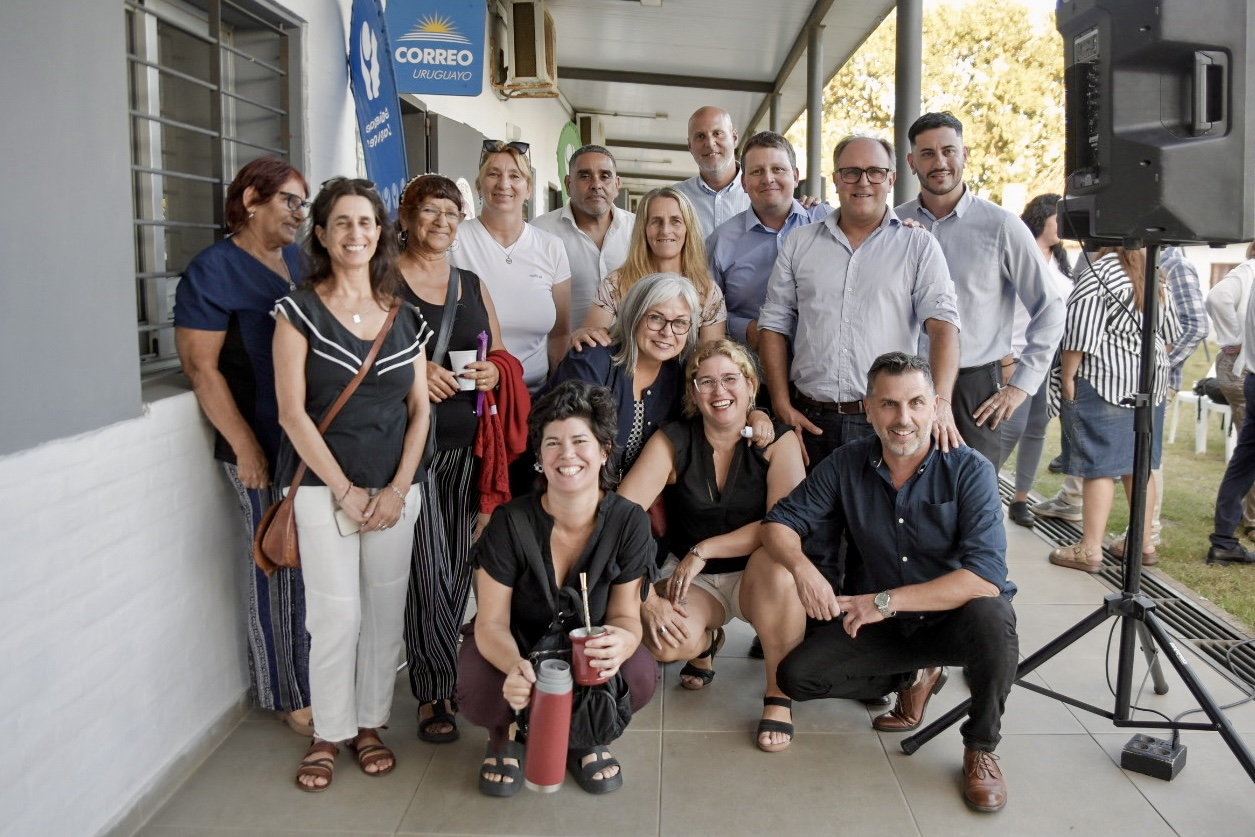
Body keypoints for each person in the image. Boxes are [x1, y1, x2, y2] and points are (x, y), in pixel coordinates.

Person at [764, 352, 1018, 813]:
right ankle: (915, 675)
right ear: (868, 409)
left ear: (935, 406)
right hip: (886, 626)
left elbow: (985, 579)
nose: (903, 419)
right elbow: (779, 523)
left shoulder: (970, 469)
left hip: (952, 619)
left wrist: (884, 600)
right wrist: (803, 570)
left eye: (916, 403)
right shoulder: (846, 463)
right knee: (798, 677)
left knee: (993, 617)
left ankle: (981, 748)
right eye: (889, 404)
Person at [273, 177, 432, 792]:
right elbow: (292, 414)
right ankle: (328, 732)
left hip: (394, 493)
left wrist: (397, 489)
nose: (355, 233)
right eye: (342, 221)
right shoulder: (298, 311)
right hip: (322, 491)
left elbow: (419, 411)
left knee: (384, 616)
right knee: (335, 616)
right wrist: (344, 490)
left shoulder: (405, 317)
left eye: (366, 222)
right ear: (321, 233)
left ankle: (369, 725)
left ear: (381, 233)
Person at [456, 379, 660, 796]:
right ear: (539, 457)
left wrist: (623, 640)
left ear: (604, 451)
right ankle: (506, 734)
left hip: (585, 651)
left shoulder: (629, 522)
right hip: (519, 643)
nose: (567, 455)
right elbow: (490, 623)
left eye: (580, 441)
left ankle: (585, 733)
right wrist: (515, 666)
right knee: (478, 684)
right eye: (553, 443)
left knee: (639, 671)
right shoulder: (509, 523)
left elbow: (625, 615)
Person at [174, 156, 313, 736]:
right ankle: (286, 694)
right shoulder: (213, 271)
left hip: (310, 447)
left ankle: (315, 679)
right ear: (252, 199)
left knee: (310, 572)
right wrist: (247, 448)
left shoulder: (299, 261)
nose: (299, 214)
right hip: (261, 449)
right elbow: (200, 368)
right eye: (289, 201)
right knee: (275, 565)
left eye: (304, 204)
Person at [618, 340, 807, 751]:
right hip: (695, 581)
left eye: (730, 379)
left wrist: (703, 551)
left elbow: (783, 524)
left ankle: (779, 694)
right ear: (693, 391)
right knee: (665, 641)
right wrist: (644, 593)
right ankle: (706, 644)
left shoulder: (779, 441)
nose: (719, 391)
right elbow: (622, 514)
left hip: (756, 573)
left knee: (783, 569)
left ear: (750, 385)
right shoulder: (673, 440)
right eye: (706, 382)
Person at [758, 134, 961, 471]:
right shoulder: (799, 243)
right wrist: (781, 404)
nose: (863, 182)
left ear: (891, 179)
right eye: (851, 172)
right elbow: (774, 324)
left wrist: (941, 403)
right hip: (810, 421)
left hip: (889, 422)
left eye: (875, 172)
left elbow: (943, 326)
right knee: (807, 508)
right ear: (836, 179)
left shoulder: (918, 245)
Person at [395, 174, 505, 744]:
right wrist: (418, 369)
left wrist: (492, 372)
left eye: (451, 213)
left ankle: (443, 670)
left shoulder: (470, 283)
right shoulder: (383, 280)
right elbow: (361, 357)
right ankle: (434, 689)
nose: (442, 222)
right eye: (430, 211)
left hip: (469, 447)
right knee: (428, 566)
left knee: (459, 565)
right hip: (410, 450)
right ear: (406, 216)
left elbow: (500, 352)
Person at [896, 112, 1064, 468]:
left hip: (974, 391)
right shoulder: (893, 224)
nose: (939, 162)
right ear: (911, 162)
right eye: (927, 153)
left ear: (965, 154)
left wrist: (1021, 386)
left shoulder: (1002, 226)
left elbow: (1051, 307)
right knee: (901, 491)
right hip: (903, 385)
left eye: (948, 151)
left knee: (973, 492)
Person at [553, 273, 772, 479]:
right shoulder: (591, 361)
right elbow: (565, 443)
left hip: (636, 494)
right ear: (633, 316)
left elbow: (716, 406)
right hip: (574, 487)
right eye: (656, 318)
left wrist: (756, 414)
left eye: (680, 322)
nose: (667, 332)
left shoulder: (680, 373)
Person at [1048, 247, 1180, 572]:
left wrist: (1068, 376)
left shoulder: (1101, 271)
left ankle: (1090, 549)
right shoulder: (1156, 272)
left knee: (1099, 466)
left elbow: (1080, 333)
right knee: (1140, 465)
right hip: (1150, 383)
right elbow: (1171, 335)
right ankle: (1141, 543)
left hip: (1104, 379)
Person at [449, 140, 571, 394]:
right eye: (493, 174)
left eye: (515, 176)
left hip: (535, 396)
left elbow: (560, 334)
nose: (504, 184)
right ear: (479, 185)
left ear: (529, 188)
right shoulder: (453, 241)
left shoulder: (551, 247)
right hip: (470, 395)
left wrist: (557, 391)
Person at [1106, 246, 1206, 556]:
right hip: (1127, 380)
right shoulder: (1130, 260)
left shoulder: (1175, 265)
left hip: (1154, 381)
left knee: (1147, 458)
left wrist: (1160, 363)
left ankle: (1147, 533)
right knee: (1126, 455)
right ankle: (1140, 533)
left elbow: (1196, 326)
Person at [708, 131, 833, 352]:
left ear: (795, 176)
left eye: (778, 169)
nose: (768, 179)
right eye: (757, 171)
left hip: (822, 360)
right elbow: (705, 311)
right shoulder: (721, 241)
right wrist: (745, 329)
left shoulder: (828, 222)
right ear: (744, 183)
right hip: (751, 366)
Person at [573, 187, 727, 348]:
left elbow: (710, 355)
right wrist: (581, 335)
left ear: (688, 228)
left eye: (675, 221)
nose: (665, 230)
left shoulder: (708, 291)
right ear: (643, 229)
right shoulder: (615, 284)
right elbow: (592, 344)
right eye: (656, 221)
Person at [999, 193, 1072, 527]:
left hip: (1047, 358)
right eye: (1059, 218)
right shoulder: (1017, 251)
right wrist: (1006, 359)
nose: (1064, 225)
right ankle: (978, 488)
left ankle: (1020, 498)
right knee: (1009, 427)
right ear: (1042, 218)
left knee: (1037, 428)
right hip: (1014, 355)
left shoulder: (1062, 261)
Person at [531, 144, 635, 330]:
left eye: (605, 176)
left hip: (630, 345)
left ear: (617, 184)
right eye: (585, 176)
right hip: (566, 346)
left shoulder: (639, 229)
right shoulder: (540, 232)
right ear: (568, 184)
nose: (596, 185)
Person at [1204, 243, 1255, 543]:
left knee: (1246, 456)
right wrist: (1233, 339)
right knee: (1247, 456)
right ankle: (1249, 520)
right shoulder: (1248, 270)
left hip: (1248, 372)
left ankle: (1227, 533)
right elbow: (1217, 297)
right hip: (1243, 368)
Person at [673, 106, 751, 239]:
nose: (709, 143)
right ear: (690, 146)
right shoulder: (676, 197)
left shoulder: (760, 193)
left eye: (717, 133)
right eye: (700, 136)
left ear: (734, 138)